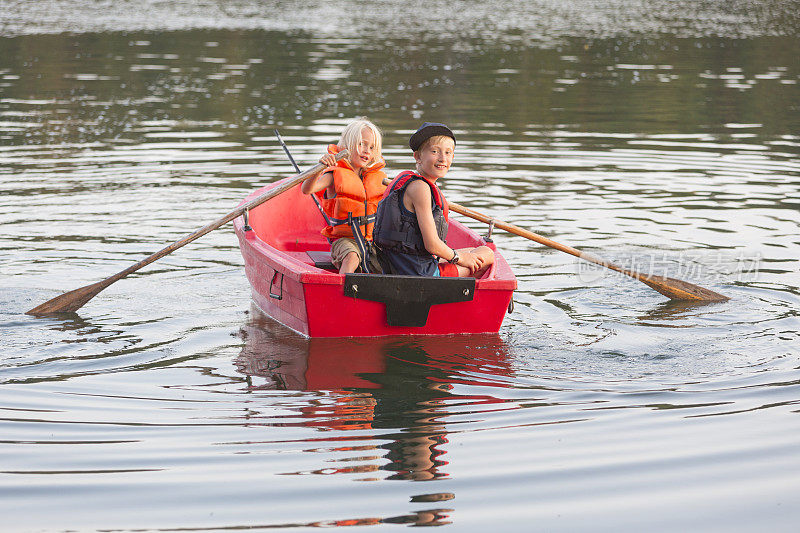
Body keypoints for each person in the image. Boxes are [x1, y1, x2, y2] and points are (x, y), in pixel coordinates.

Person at [373, 122, 494, 277]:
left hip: (402, 265)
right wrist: (459, 258)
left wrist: (461, 256)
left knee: (480, 251)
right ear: (417, 156)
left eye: (448, 153)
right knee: (487, 256)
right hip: (420, 274)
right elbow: (431, 244)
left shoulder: (414, 183)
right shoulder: (420, 188)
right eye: (435, 151)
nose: (442, 159)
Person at [300, 117, 387, 274]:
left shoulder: (379, 178)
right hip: (344, 241)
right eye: (361, 144)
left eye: (372, 147)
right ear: (347, 145)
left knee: (394, 261)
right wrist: (319, 168)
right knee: (352, 257)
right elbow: (307, 189)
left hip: (370, 241)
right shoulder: (334, 174)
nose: (367, 150)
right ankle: (341, 291)